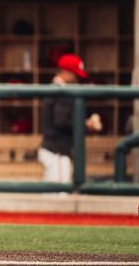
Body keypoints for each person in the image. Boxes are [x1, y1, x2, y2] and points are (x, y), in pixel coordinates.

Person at [38, 53, 102, 183]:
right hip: (57, 153)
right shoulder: (61, 91)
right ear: (66, 72)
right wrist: (85, 124)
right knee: (60, 197)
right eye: (75, 74)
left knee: (53, 196)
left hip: (53, 150)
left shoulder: (54, 88)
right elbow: (61, 121)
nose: (77, 79)